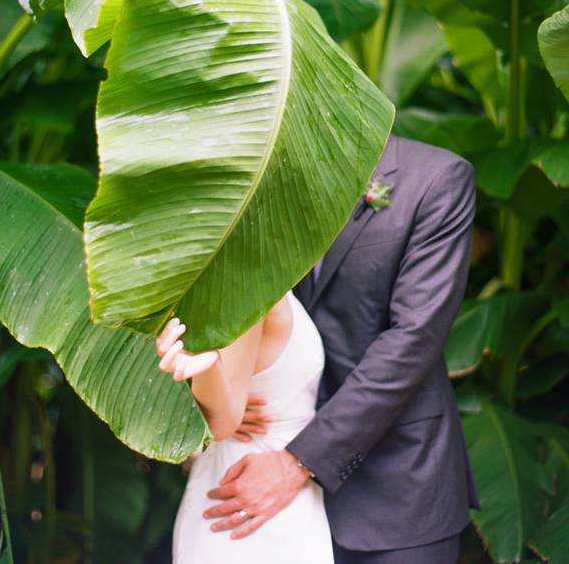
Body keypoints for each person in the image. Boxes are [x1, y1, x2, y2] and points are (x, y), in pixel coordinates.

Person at [202, 134, 480, 564]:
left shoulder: (437, 178)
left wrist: (298, 462)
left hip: (395, 493)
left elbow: (412, 340)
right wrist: (215, 408)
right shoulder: (253, 180)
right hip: (258, 487)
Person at [157, 290, 335, 564]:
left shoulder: (272, 280)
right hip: (244, 503)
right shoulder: (244, 289)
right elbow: (221, 423)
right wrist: (210, 368)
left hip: (280, 495)